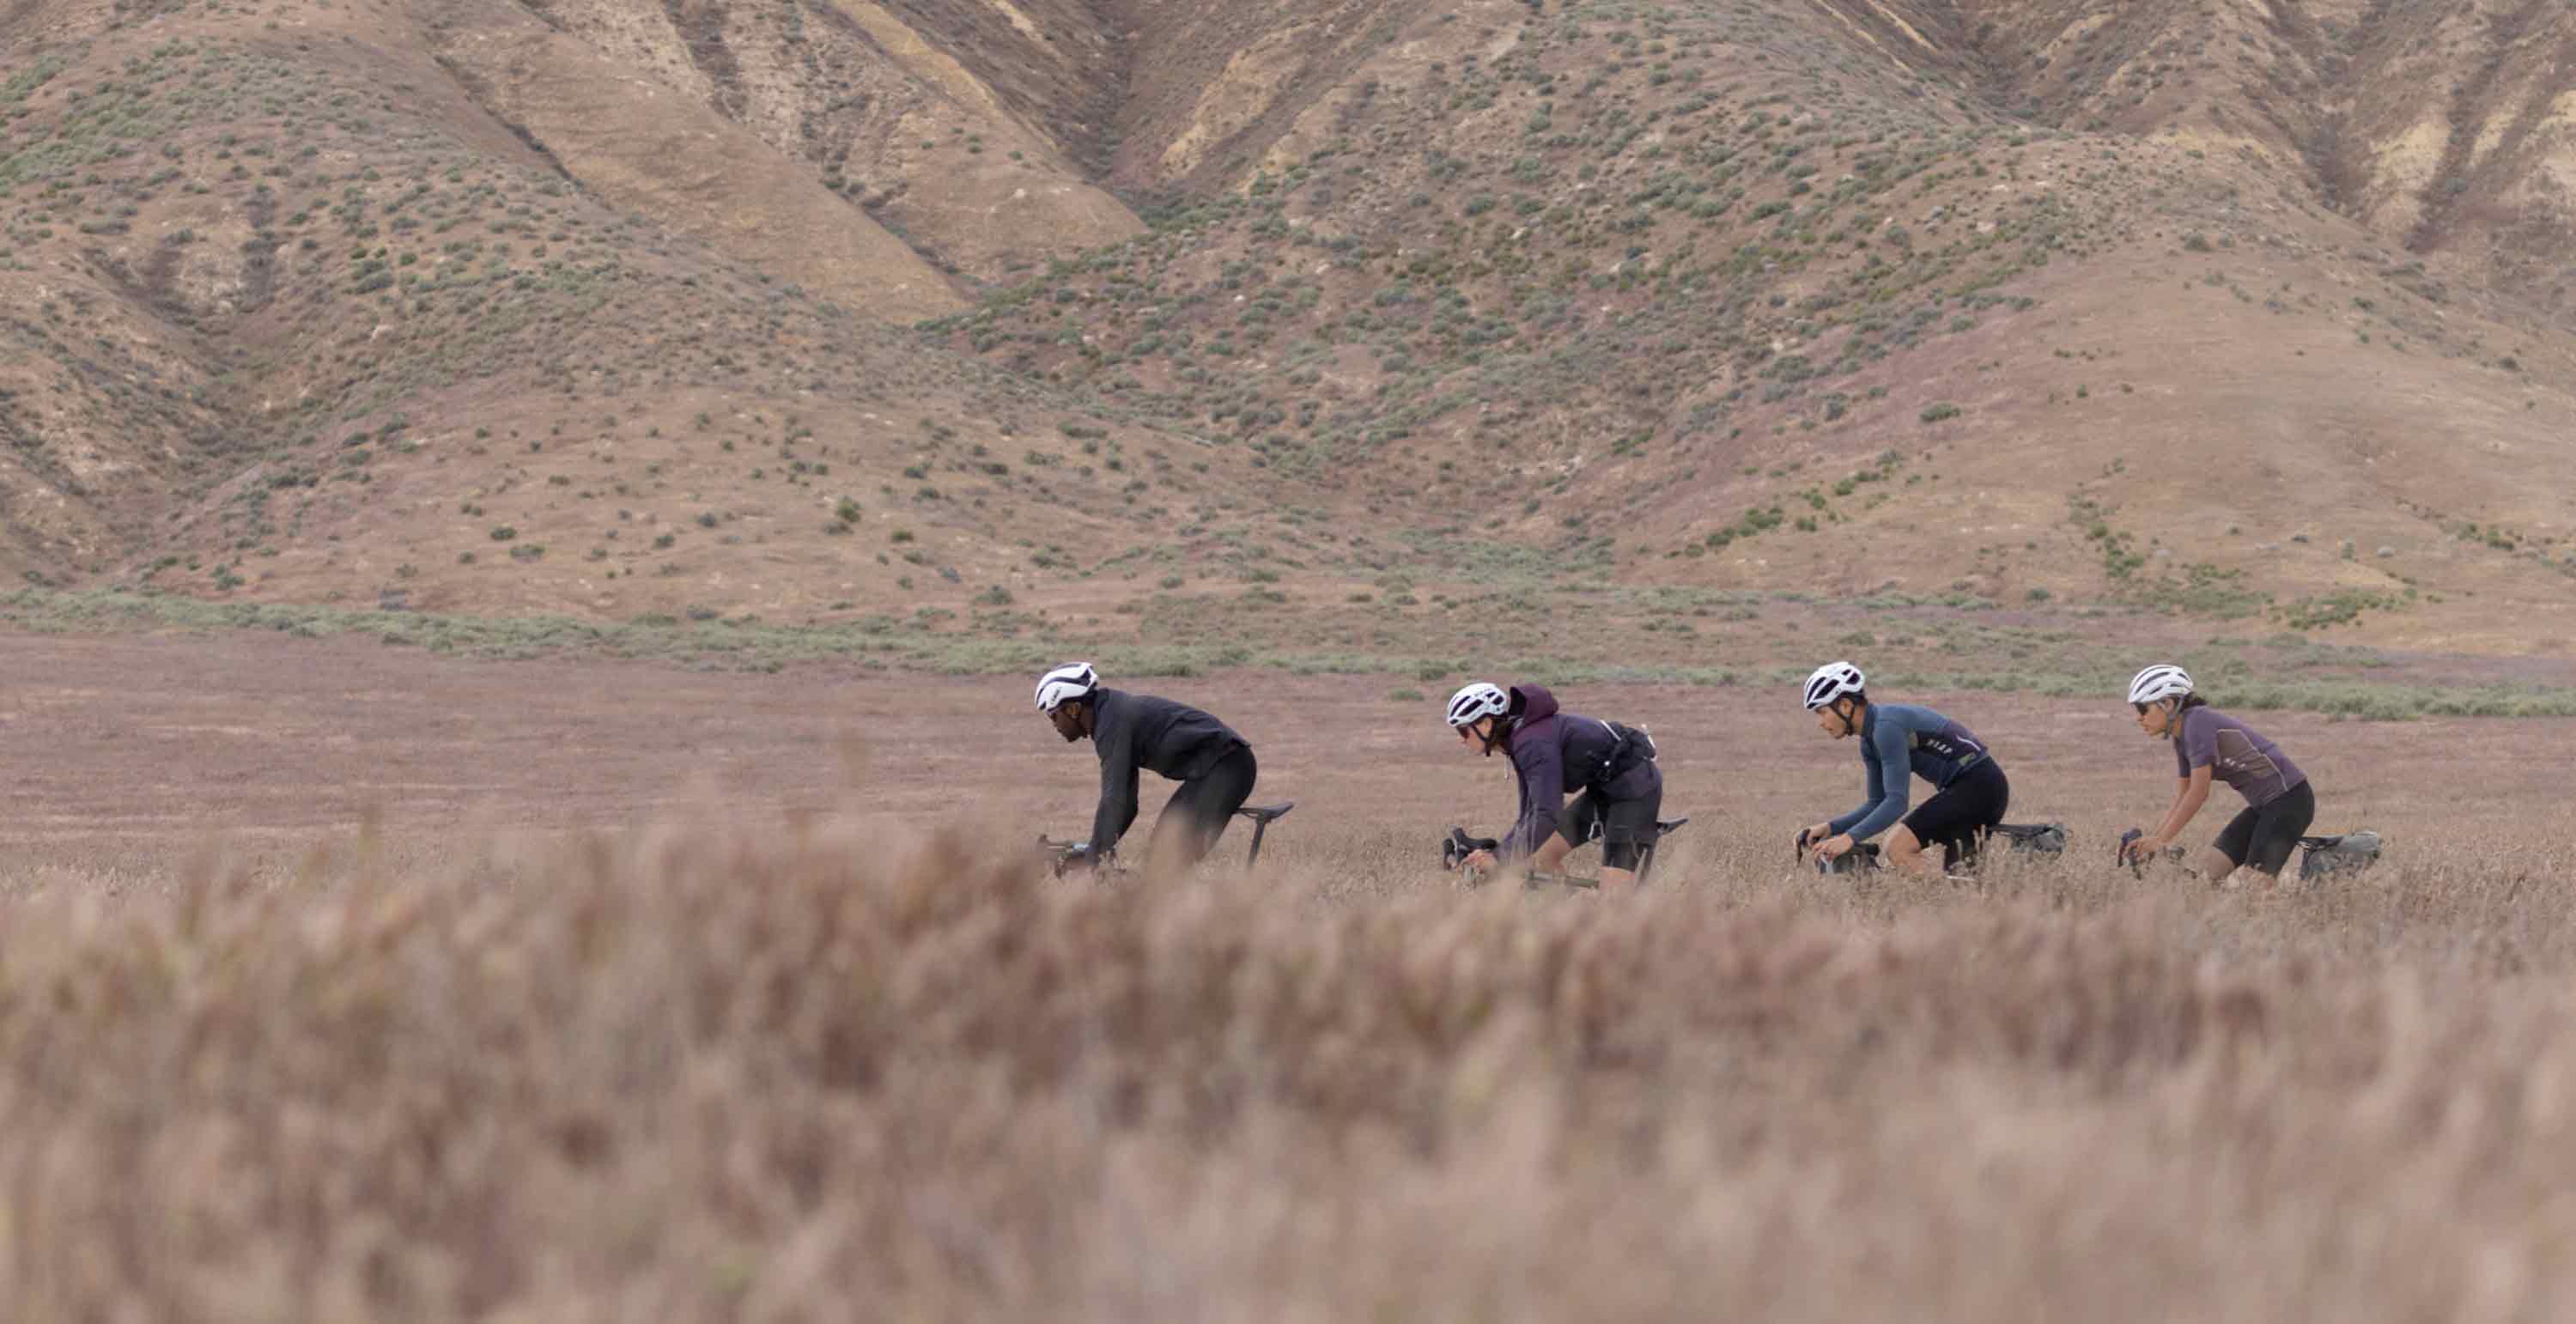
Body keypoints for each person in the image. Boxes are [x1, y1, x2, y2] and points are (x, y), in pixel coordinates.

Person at [1036, 662, 1258, 875]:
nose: (1054, 724)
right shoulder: (1110, 715)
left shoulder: (1113, 723)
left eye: (1053, 715)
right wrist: (1097, 851)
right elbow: (1127, 805)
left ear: (1073, 709)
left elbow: (1114, 800)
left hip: (1228, 767)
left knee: (1162, 864)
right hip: (1214, 770)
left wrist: (1094, 857)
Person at [1443, 681, 1663, 889]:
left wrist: (1500, 859)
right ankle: (1569, 915)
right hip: (1605, 790)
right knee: (1541, 858)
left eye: (1463, 730)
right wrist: (1499, 854)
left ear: (1485, 723)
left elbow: (1546, 814)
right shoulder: (1519, 740)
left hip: (1635, 791)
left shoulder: (1532, 743)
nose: (1461, 739)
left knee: (1615, 896)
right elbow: (1529, 813)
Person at [1798, 660, 2008, 874]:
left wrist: (1848, 838)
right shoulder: (1869, 741)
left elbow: (1897, 803)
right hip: (1975, 789)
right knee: (1964, 887)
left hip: (1978, 786)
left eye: (1822, 712)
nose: (1821, 722)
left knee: (1898, 847)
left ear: (1844, 705)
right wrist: (1832, 828)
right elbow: (1877, 802)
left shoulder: (1886, 727)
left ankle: (1937, 901)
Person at [2118, 664, 2315, 882]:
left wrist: (2161, 840)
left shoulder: (2197, 723)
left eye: (2142, 709)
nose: (2139, 717)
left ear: (2167, 703)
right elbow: (2185, 794)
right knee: (2205, 880)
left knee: (2255, 886)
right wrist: (2155, 839)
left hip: (2289, 801)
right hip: (2263, 807)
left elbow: (2199, 793)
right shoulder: (2181, 737)